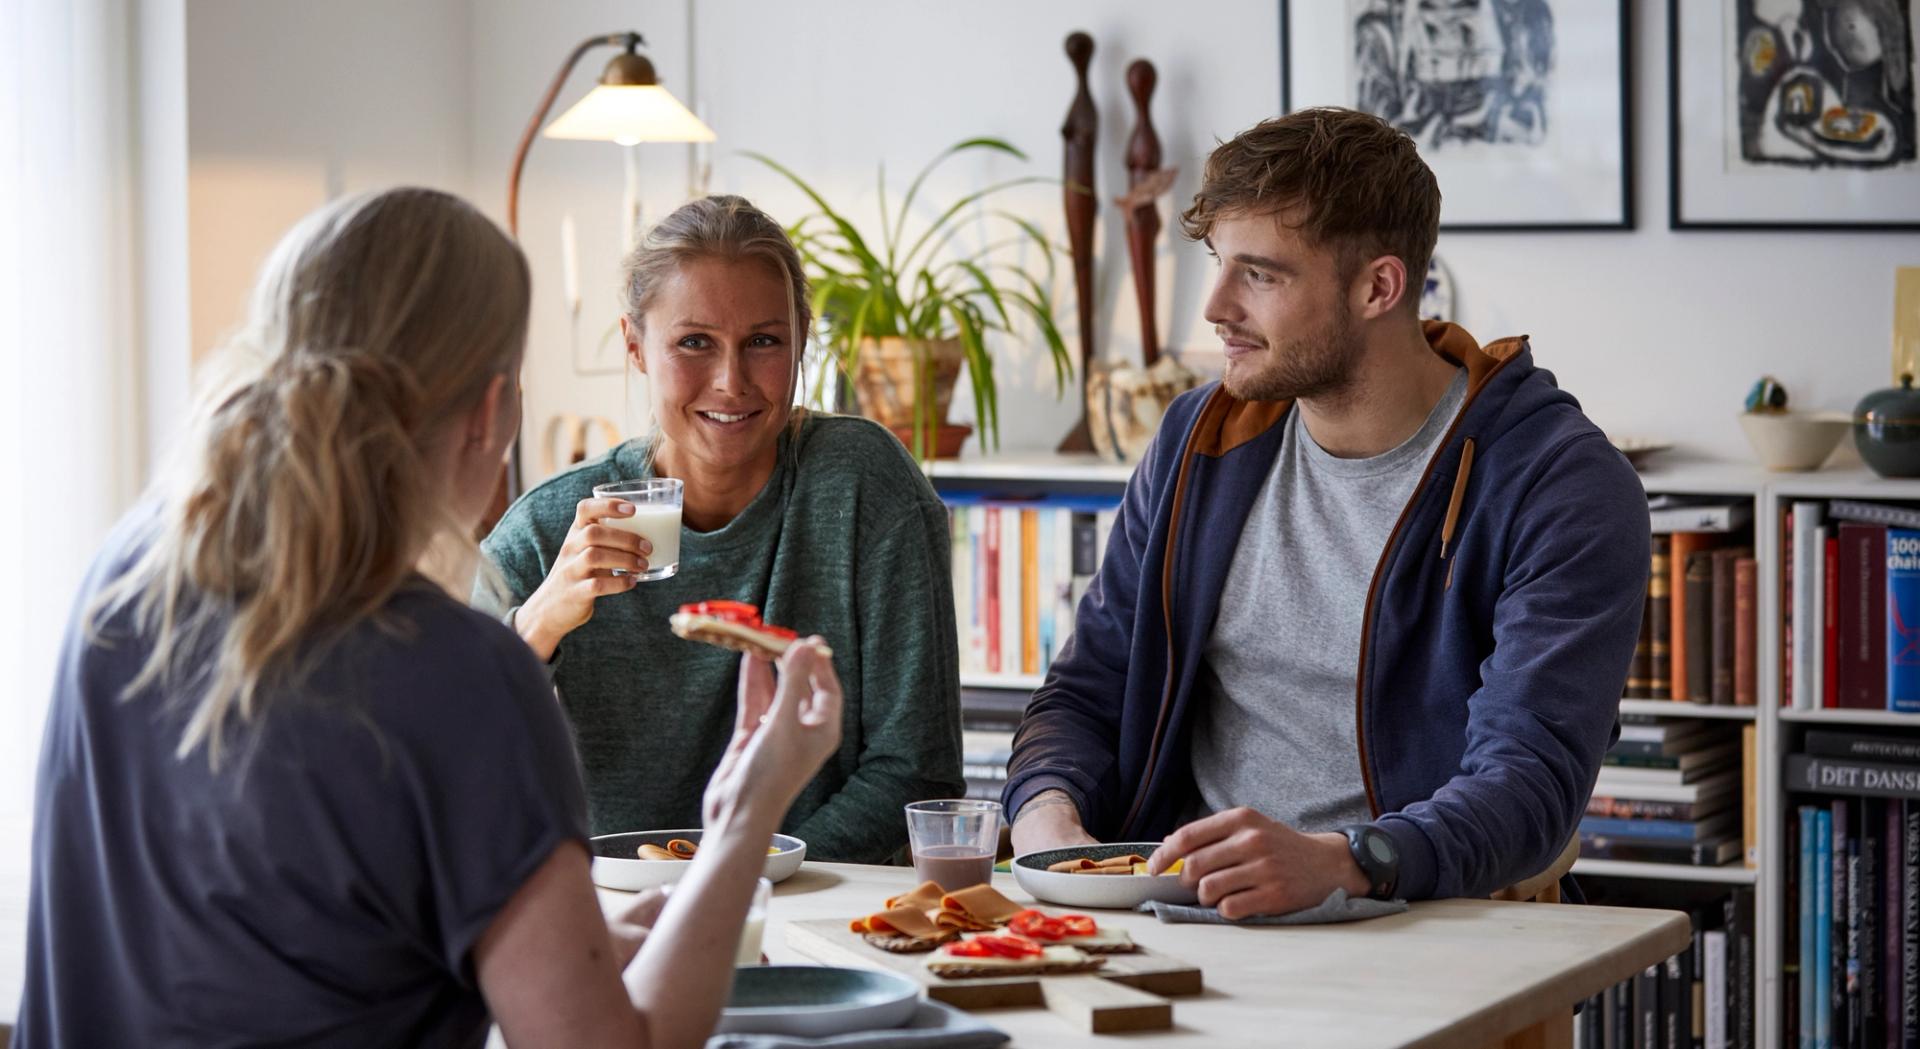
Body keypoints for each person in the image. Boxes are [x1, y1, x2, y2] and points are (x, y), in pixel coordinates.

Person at [18, 187, 843, 1048]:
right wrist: (746, 818)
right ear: (491, 409)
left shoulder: (122, 576)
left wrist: (576, 955)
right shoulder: (463, 670)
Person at [1004, 108, 1648, 919]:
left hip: (1426, 918)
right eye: (1217, 263)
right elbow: (1087, 689)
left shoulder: (1559, 483)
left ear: (1379, 286)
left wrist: (1345, 862)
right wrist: (1047, 820)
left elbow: (1528, 781)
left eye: (1260, 275)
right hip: (1173, 918)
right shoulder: (1199, 439)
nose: (1213, 307)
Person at [481, 195, 963, 863]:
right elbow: (437, 763)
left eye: (764, 341)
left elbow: (917, 771)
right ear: (635, 346)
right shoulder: (548, 528)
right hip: (612, 916)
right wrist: (539, 626)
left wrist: (735, 878)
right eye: (694, 342)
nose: (731, 381)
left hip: (812, 904)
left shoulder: (865, 487)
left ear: (800, 341)